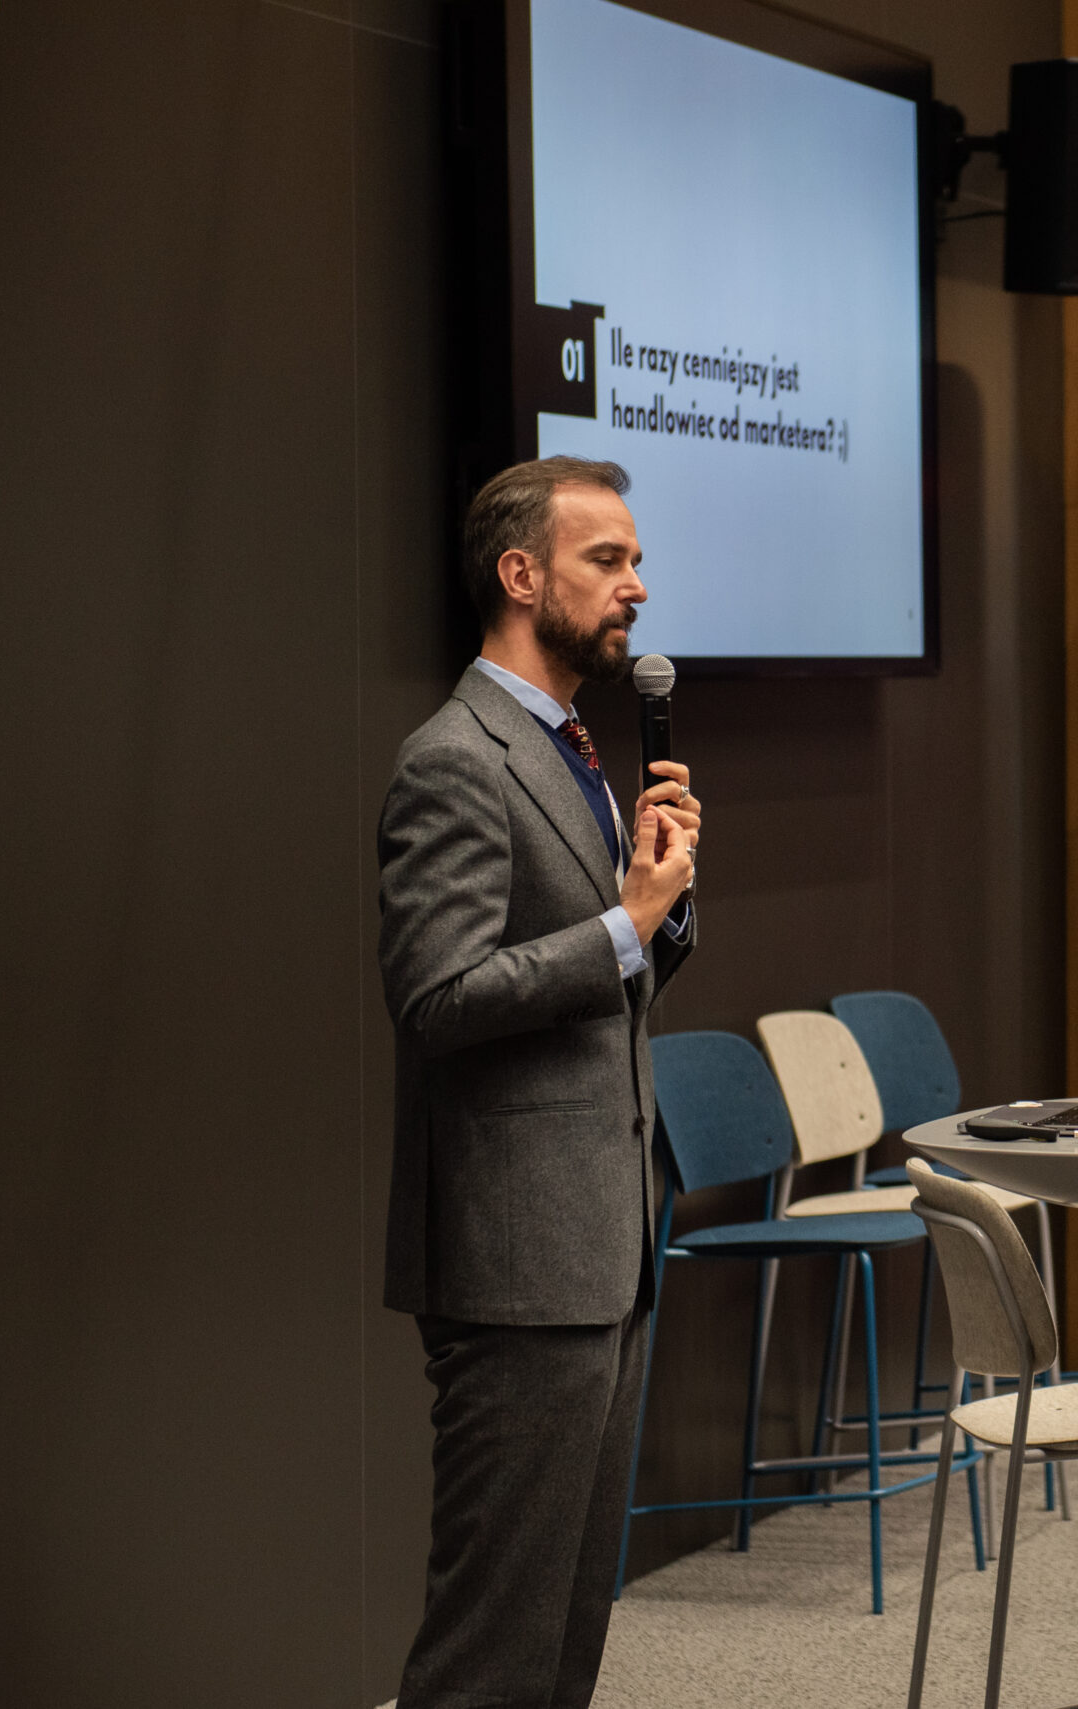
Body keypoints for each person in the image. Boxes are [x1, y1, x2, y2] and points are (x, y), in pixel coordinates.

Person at [378, 456, 701, 1708]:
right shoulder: (454, 759)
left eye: (636, 560)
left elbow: (609, 981)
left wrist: (661, 909)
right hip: (517, 1264)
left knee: (566, 1626)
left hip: (601, 1247)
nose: (636, 585)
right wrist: (624, 924)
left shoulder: (570, 749)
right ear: (522, 574)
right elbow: (437, 996)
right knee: (491, 1646)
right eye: (606, 560)